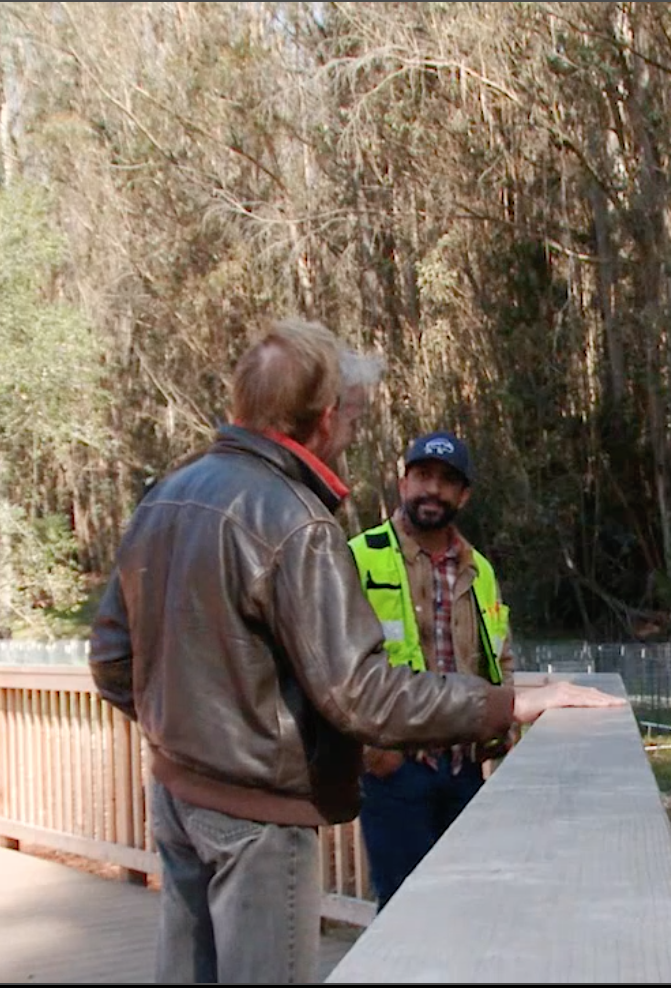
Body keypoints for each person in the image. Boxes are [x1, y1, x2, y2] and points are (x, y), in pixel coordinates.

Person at [87, 318, 624, 984]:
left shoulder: (167, 493)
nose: (353, 432)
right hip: (262, 815)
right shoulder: (294, 519)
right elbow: (360, 692)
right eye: (351, 417)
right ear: (324, 416)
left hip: (177, 795)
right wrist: (513, 704)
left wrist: (191, 734)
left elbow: (112, 660)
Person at [350, 429, 513, 907]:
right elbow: (336, 667)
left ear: (463, 495)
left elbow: (499, 654)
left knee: (465, 908)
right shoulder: (359, 555)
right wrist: (374, 751)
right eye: (422, 476)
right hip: (396, 768)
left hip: (463, 767)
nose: (432, 490)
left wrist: (499, 732)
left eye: (446, 481)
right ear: (402, 485)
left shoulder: (479, 569)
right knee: (403, 913)